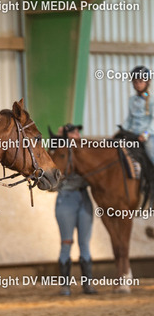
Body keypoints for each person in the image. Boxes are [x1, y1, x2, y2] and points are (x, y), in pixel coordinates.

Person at [55, 124, 97, 295]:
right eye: (73, 132)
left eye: (77, 131)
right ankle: (65, 286)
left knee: (85, 243)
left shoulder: (85, 152)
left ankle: (88, 284)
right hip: (66, 197)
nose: (77, 134)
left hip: (83, 195)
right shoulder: (60, 151)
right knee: (66, 242)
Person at [125, 65, 154, 166]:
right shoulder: (132, 100)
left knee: (151, 152)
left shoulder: (151, 100)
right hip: (134, 134)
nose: (138, 85)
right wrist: (121, 130)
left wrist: (145, 134)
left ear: (148, 82)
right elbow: (129, 119)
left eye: (141, 81)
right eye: (135, 82)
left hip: (148, 135)